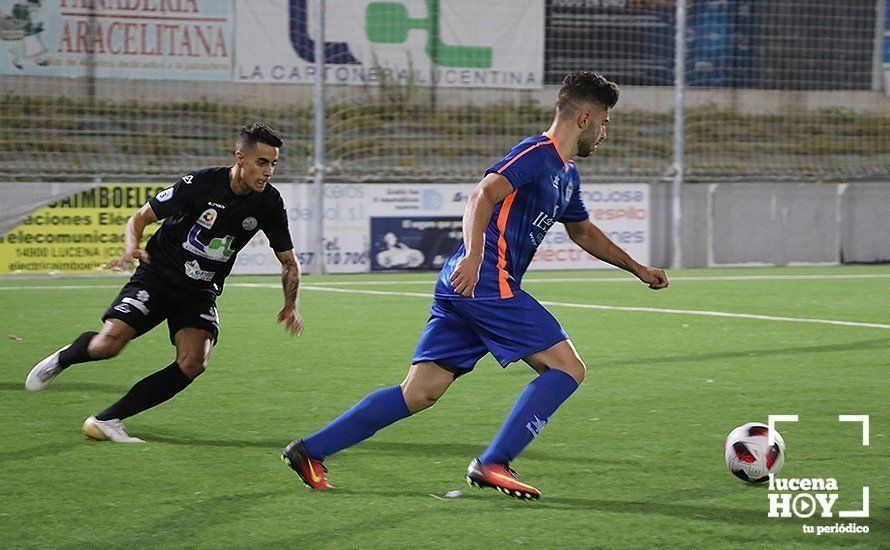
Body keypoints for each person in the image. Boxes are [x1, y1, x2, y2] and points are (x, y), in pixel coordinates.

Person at [281, 72, 669, 499]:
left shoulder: (566, 174)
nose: (605, 132)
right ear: (583, 118)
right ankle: (494, 462)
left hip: (463, 287)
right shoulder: (537, 154)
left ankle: (310, 450)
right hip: (485, 280)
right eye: (605, 121)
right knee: (567, 368)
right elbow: (481, 195)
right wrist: (475, 255)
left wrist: (636, 267)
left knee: (420, 392)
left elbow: (583, 232)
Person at [26, 123, 303, 443]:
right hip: (157, 276)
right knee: (106, 347)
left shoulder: (268, 203)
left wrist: (290, 305)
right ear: (240, 158)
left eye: (273, 164)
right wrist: (131, 247)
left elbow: (288, 262)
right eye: (262, 162)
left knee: (194, 362)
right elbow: (139, 218)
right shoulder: (199, 184)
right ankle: (63, 358)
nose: (268, 171)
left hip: (199, 290)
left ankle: (109, 419)